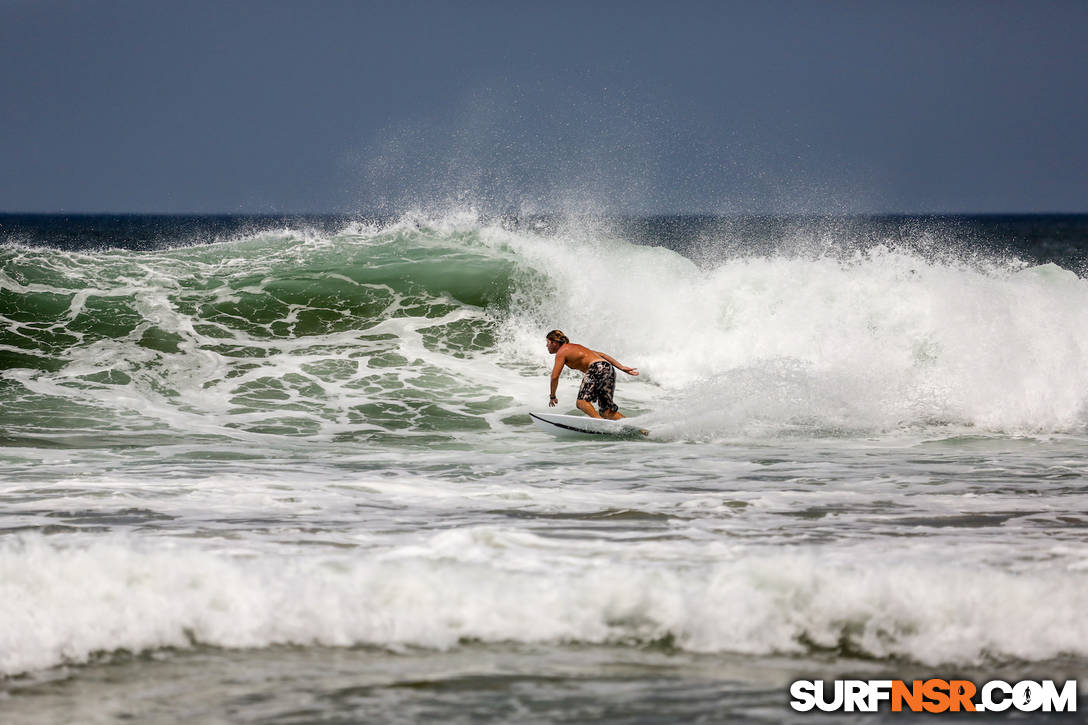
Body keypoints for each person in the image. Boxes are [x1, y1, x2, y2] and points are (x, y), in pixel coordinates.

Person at [545, 329, 638, 420]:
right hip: (608, 369)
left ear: (554, 343)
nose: (546, 346)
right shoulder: (576, 347)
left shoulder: (562, 352)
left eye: (548, 342)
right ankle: (635, 427)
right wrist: (621, 367)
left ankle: (600, 424)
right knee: (606, 412)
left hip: (597, 368)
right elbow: (602, 355)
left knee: (581, 402)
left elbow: (554, 377)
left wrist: (552, 396)